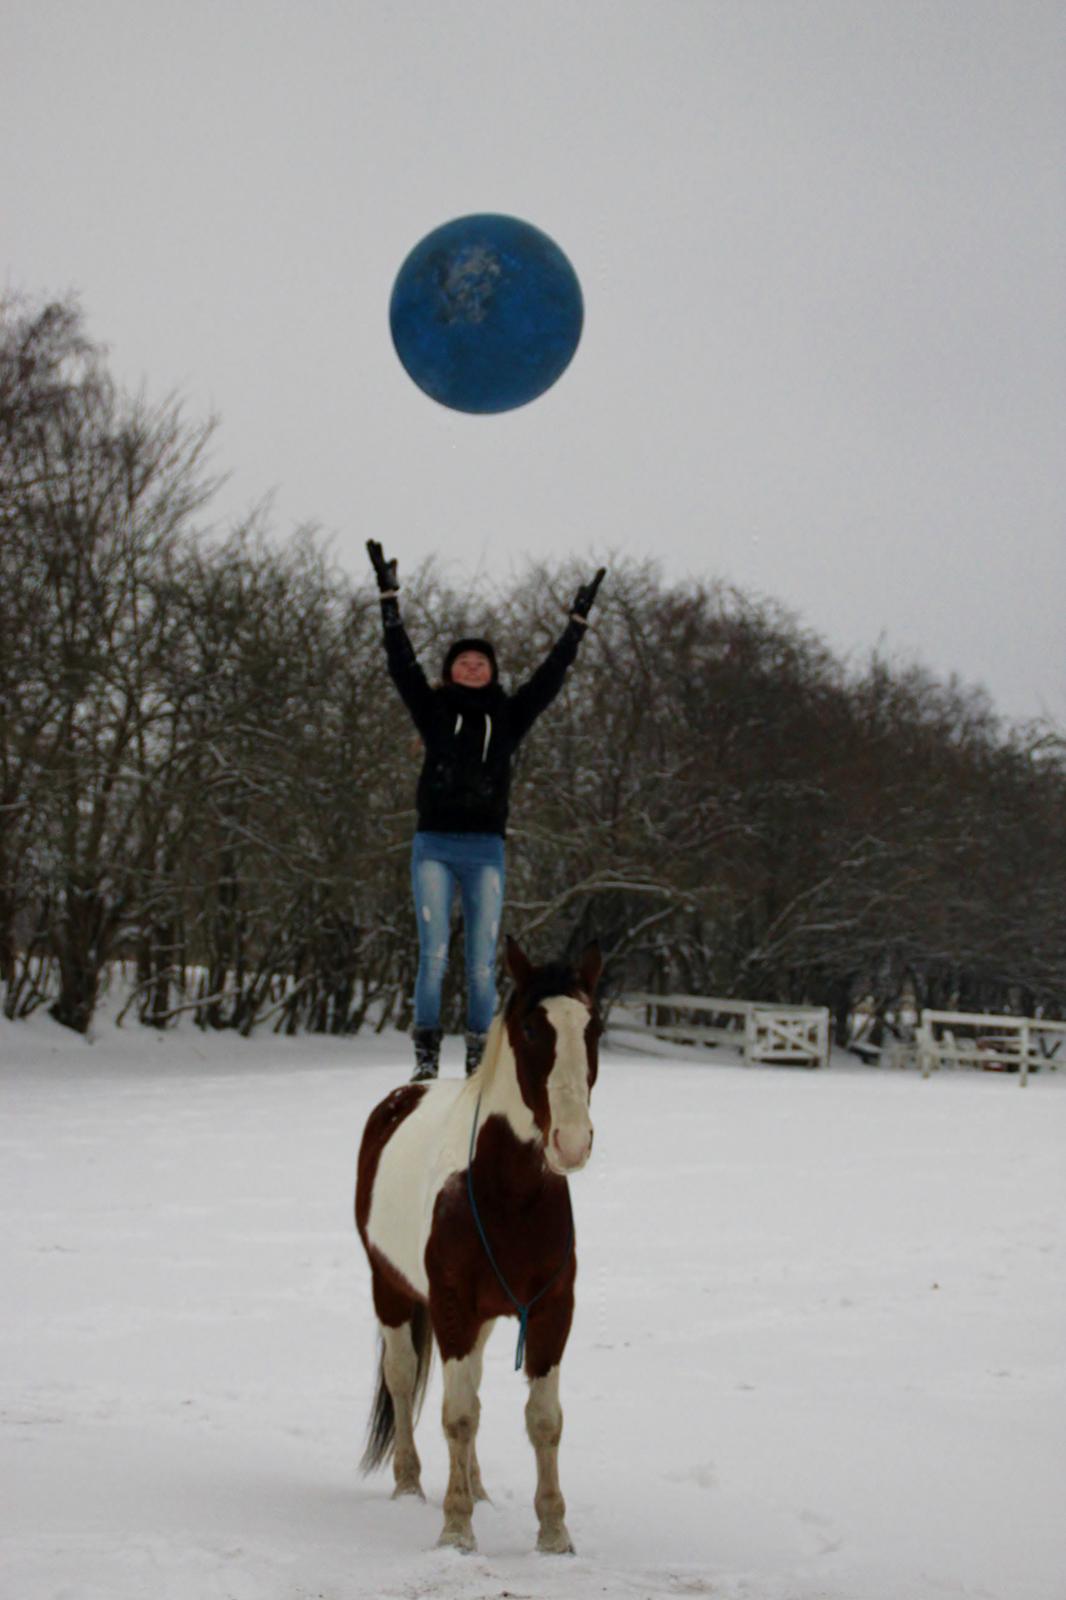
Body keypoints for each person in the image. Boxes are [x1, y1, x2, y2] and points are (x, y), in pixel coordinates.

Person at [367, 541, 605, 1081]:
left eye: (481, 663)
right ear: (451, 672)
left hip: (484, 851)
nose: (472, 667)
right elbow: (401, 664)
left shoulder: (509, 716)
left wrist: (575, 626)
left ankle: (478, 1054)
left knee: (480, 963)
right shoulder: (434, 712)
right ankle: (426, 1056)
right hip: (434, 845)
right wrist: (388, 599)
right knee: (434, 956)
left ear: (491, 672)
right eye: (463, 662)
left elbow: (549, 679)